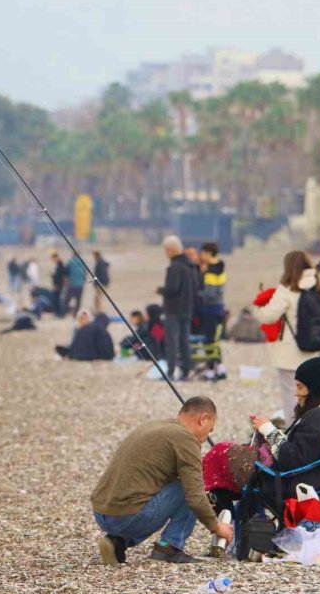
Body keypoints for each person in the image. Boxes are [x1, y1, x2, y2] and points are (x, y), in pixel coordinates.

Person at [92, 396, 233, 565]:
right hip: (125, 517)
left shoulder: (158, 427)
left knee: (169, 493)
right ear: (203, 419)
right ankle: (169, 548)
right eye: (210, 430)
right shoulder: (186, 439)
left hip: (102, 512)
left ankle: (117, 542)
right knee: (189, 490)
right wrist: (217, 528)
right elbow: (194, 496)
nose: (206, 437)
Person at [250, 357, 320, 514]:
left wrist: (267, 428)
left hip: (295, 485)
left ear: (314, 389)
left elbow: (290, 458)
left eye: (300, 387)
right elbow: (303, 450)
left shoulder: (319, 418)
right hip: (315, 482)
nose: (295, 393)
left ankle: (233, 529)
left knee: (229, 464)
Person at [252, 250, 320, 425]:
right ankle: (313, 429)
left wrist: (258, 309)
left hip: (289, 353)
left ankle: (295, 433)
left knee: (291, 396)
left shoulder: (287, 289)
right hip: (313, 349)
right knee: (310, 395)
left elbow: (269, 316)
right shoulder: (317, 286)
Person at [157, 236, 198, 381]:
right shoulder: (190, 265)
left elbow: (172, 289)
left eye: (166, 251)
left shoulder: (174, 266)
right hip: (187, 309)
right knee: (184, 341)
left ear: (170, 250)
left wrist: (162, 291)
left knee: (172, 341)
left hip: (173, 310)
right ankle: (186, 371)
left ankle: (170, 371)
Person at [197, 242, 227, 380]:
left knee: (209, 340)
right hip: (219, 308)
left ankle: (210, 370)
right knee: (215, 340)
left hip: (211, 309)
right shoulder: (220, 266)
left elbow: (210, 294)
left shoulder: (212, 270)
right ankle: (219, 368)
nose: (201, 256)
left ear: (208, 253)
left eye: (202, 253)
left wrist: (196, 293)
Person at [50, 252, 66, 318]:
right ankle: (57, 313)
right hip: (57, 285)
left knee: (58, 300)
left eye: (53, 259)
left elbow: (60, 276)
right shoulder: (57, 265)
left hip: (59, 286)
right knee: (56, 299)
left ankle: (60, 313)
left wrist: (57, 285)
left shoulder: (60, 264)